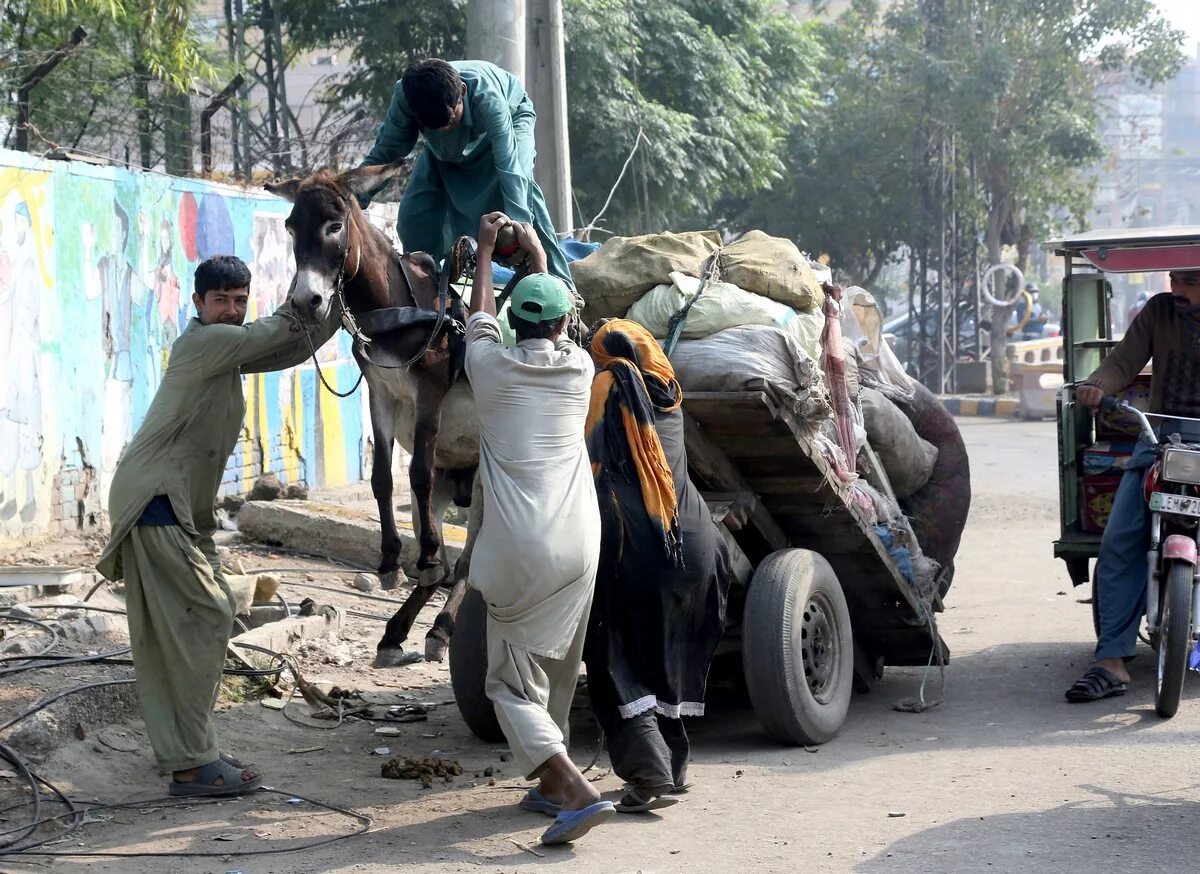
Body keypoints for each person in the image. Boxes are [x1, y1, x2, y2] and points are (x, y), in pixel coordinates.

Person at [95, 256, 341, 794]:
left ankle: (191, 750)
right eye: (221, 300)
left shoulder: (226, 351)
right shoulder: (203, 346)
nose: (231, 310)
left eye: (239, 300)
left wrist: (342, 305)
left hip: (180, 509)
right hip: (155, 501)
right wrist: (322, 291)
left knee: (196, 622)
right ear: (199, 305)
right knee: (205, 615)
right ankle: (189, 765)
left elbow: (288, 347)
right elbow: (277, 331)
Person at [464, 212, 614, 845]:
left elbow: (481, 316)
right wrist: (533, 253)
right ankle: (549, 787)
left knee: (507, 682)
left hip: (522, 548)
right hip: (582, 543)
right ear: (560, 326)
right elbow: (553, 316)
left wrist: (487, 255)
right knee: (557, 663)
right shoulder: (580, 369)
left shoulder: (488, 369)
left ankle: (576, 791)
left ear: (510, 326)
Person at [583, 319, 732, 813]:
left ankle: (649, 776)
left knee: (614, 655)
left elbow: (586, 462)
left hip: (636, 545)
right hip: (696, 544)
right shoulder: (670, 396)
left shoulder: (607, 386)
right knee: (665, 656)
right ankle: (676, 767)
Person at [1066, 268, 1200, 702]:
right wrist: (1096, 385)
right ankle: (1110, 662)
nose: (1177, 289)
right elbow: (1123, 360)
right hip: (1160, 439)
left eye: (1190, 282)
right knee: (1121, 539)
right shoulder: (1159, 310)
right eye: (1175, 279)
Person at [359, 58, 574, 289]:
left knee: (522, 192)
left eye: (450, 121)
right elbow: (386, 152)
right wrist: (352, 196)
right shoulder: (406, 95)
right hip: (443, 151)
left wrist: (520, 229)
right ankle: (428, 289)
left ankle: (561, 284)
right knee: (413, 218)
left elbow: (510, 168)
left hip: (512, 123)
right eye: (435, 127)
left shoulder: (487, 97)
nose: (445, 130)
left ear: (462, 91)